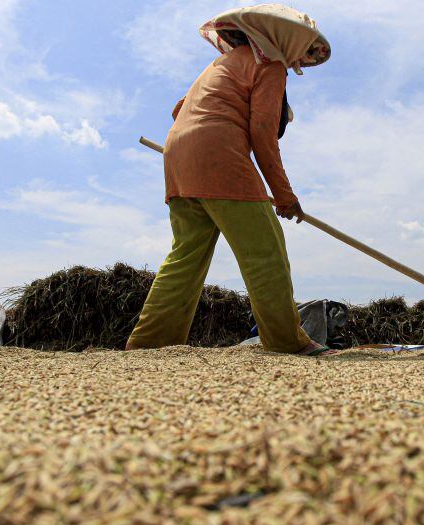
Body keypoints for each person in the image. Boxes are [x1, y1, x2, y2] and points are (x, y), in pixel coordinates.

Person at [126, 7, 331, 355]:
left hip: (178, 156)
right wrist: (284, 196)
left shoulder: (220, 64)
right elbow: (263, 132)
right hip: (219, 154)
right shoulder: (270, 64)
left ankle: (149, 342)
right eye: (303, 50)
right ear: (288, 39)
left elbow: (179, 110)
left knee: (186, 255)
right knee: (265, 252)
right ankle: (287, 342)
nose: (301, 60)